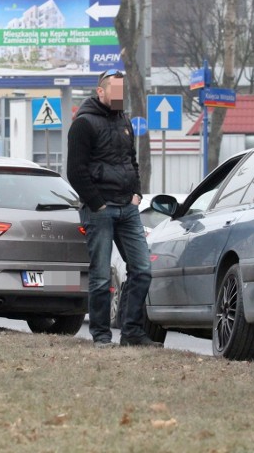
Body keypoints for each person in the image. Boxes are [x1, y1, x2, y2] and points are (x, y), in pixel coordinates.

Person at [67, 69, 161, 348]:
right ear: (101, 91)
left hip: (128, 208)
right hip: (100, 210)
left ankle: (131, 331)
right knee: (100, 275)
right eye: (116, 90)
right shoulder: (83, 124)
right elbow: (75, 171)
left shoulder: (125, 122)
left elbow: (132, 161)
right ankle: (101, 335)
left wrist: (137, 193)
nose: (120, 96)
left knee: (142, 269)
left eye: (123, 91)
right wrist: (97, 202)